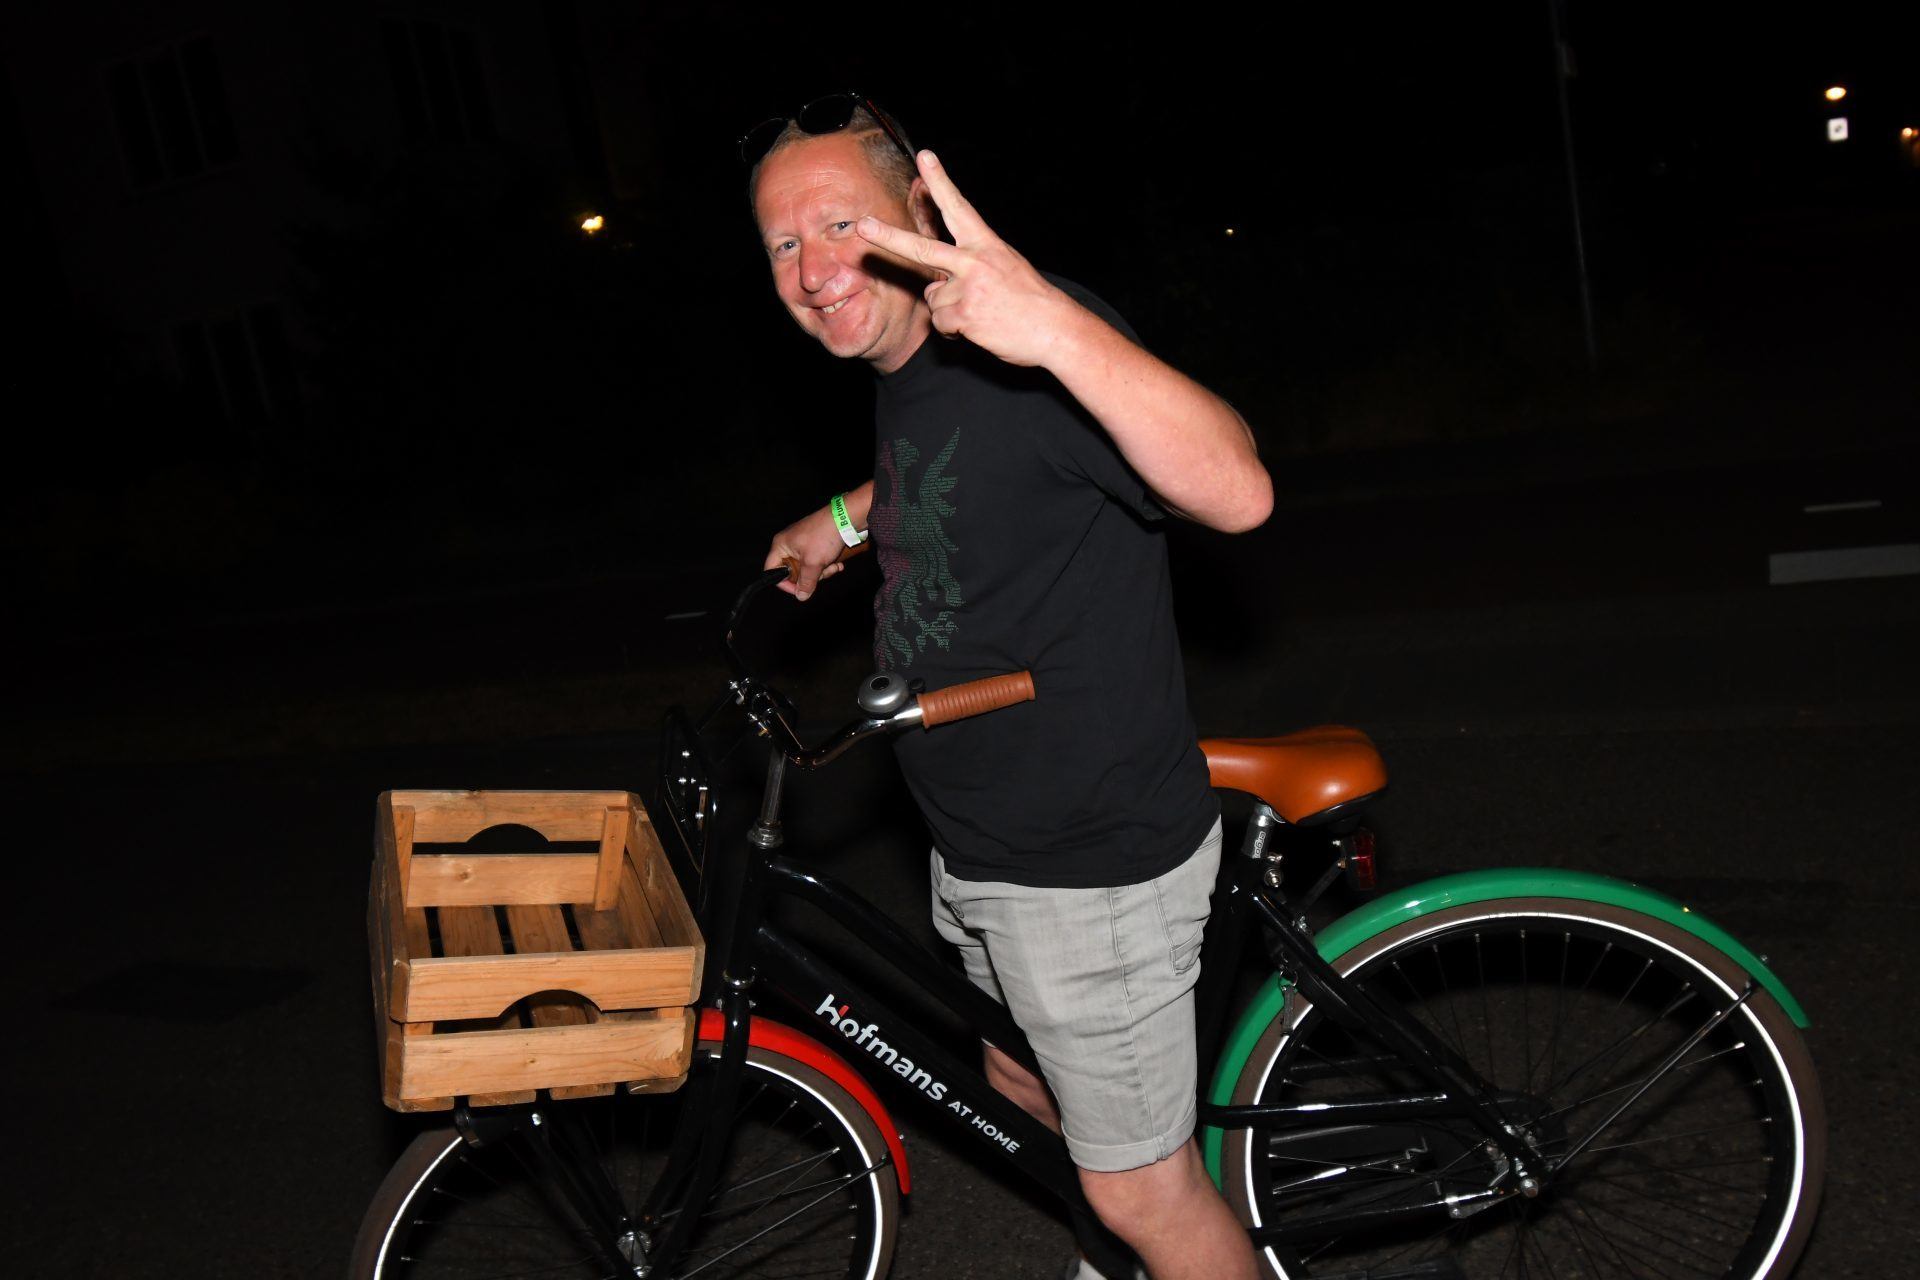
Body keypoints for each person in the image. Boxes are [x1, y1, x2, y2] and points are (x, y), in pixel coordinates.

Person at [747, 95, 1271, 1280]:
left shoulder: (1026, 339)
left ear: (918, 215)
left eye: (840, 225)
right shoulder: (911, 360)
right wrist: (844, 519)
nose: (815, 270)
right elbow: (955, 469)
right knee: (1017, 1074)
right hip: (982, 847)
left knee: (1146, 1193)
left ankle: (1150, 1240)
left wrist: (1056, 329)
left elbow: (1236, 487)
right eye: (784, 243)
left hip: (1086, 860)